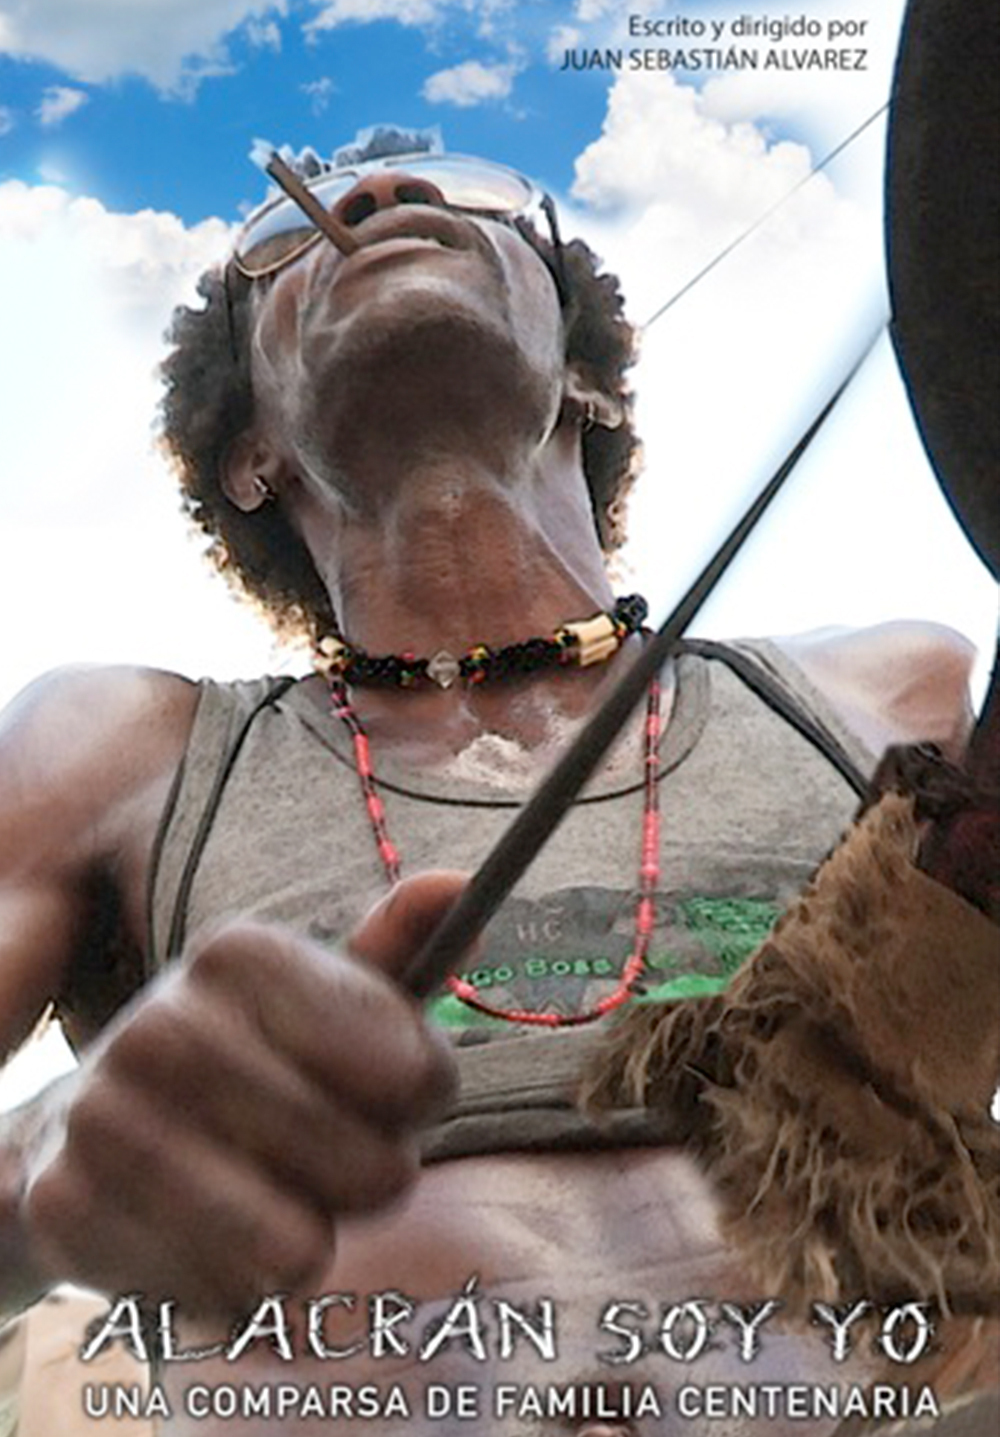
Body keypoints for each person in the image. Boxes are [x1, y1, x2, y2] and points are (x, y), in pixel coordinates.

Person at [0, 126, 996, 1437]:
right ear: (249, 456)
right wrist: (36, 1167)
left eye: (470, 197)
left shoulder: (889, 693)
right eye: (286, 238)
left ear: (586, 380)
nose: (381, 192)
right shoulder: (120, 745)